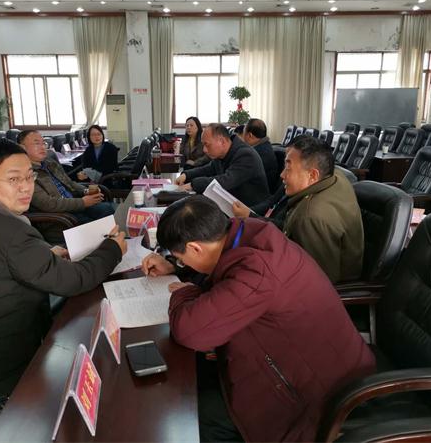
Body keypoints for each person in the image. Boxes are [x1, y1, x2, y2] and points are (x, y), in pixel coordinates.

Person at [141, 196, 375, 442]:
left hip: (319, 397)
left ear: (196, 248)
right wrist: (177, 268)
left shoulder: (257, 271)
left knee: (197, 414)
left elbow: (190, 332)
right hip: (313, 365)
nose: (182, 262)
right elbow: (219, 273)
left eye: (181, 257)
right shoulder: (249, 233)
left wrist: (184, 292)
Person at [0, 140, 126, 413]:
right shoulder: (10, 233)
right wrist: (113, 248)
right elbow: (75, 280)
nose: (26, 187)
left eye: (29, 177)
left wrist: (45, 254)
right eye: (13, 179)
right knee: (110, 384)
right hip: (4, 375)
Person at [233, 135, 364, 283]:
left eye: (288, 168)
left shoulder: (310, 217)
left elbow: (318, 280)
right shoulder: (334, 176)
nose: (282, 175)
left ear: (313, 175)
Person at [18, 130, 115, 225]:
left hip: (73, 205)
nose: (43, 147)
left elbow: (69, 183)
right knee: (99, 222)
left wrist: (85, 191)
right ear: (22, 148)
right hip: (59, 217)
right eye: (37, 143)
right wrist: (82, 202)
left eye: (44, 143)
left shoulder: (50, 162)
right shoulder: (25, 174)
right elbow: (48, 204)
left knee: (107, 209)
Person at [175, 123, 269, 207]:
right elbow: (208, 169)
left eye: (207, 145)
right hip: (231, 203)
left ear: (222, 141)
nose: (204, 150)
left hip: (250, 211)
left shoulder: (246, 155)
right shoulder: (222, 153)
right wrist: (186, 175)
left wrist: (193, 184)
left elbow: (226, 181)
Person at [241, 118, 278, 191]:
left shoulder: (258, 153)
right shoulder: (265, 146)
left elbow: (241, 175)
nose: (242, 137)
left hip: (258, 193)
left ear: (250, 135)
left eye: (244, 133)